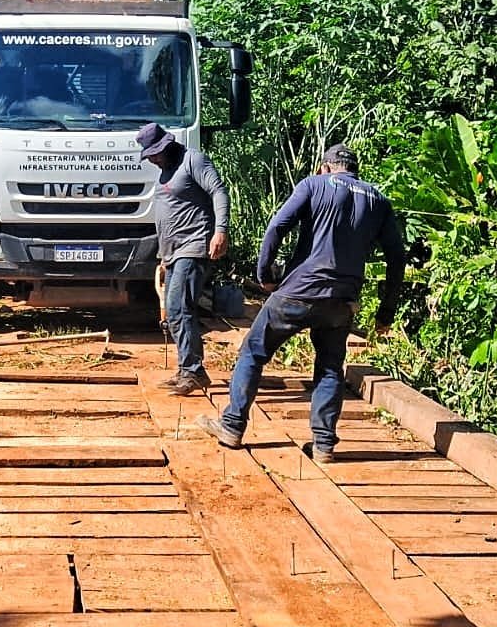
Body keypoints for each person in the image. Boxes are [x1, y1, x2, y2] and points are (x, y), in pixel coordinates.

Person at [196, 143, 405, 460]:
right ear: (355, 170)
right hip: (342, 301)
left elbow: (278, 226)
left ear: (325, 167)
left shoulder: (313, 184)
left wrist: (264, 273)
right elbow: (397, 258)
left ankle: (232, 426)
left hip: (299, 291)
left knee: (253, 351)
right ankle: (323, 445)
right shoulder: (378, 198)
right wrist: (386, 312)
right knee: (330, 367)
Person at [136, 122, 229, 396]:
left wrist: (220, 231)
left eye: (154, 154)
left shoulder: (193, 160)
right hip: (173, 253)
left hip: (194, 245)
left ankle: (194, 371)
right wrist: (164, 257)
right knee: (174, 310)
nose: (151, 159)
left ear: (165, 146)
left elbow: (219, 191)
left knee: (179, 308)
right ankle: (186, 368)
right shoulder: (166, 169)